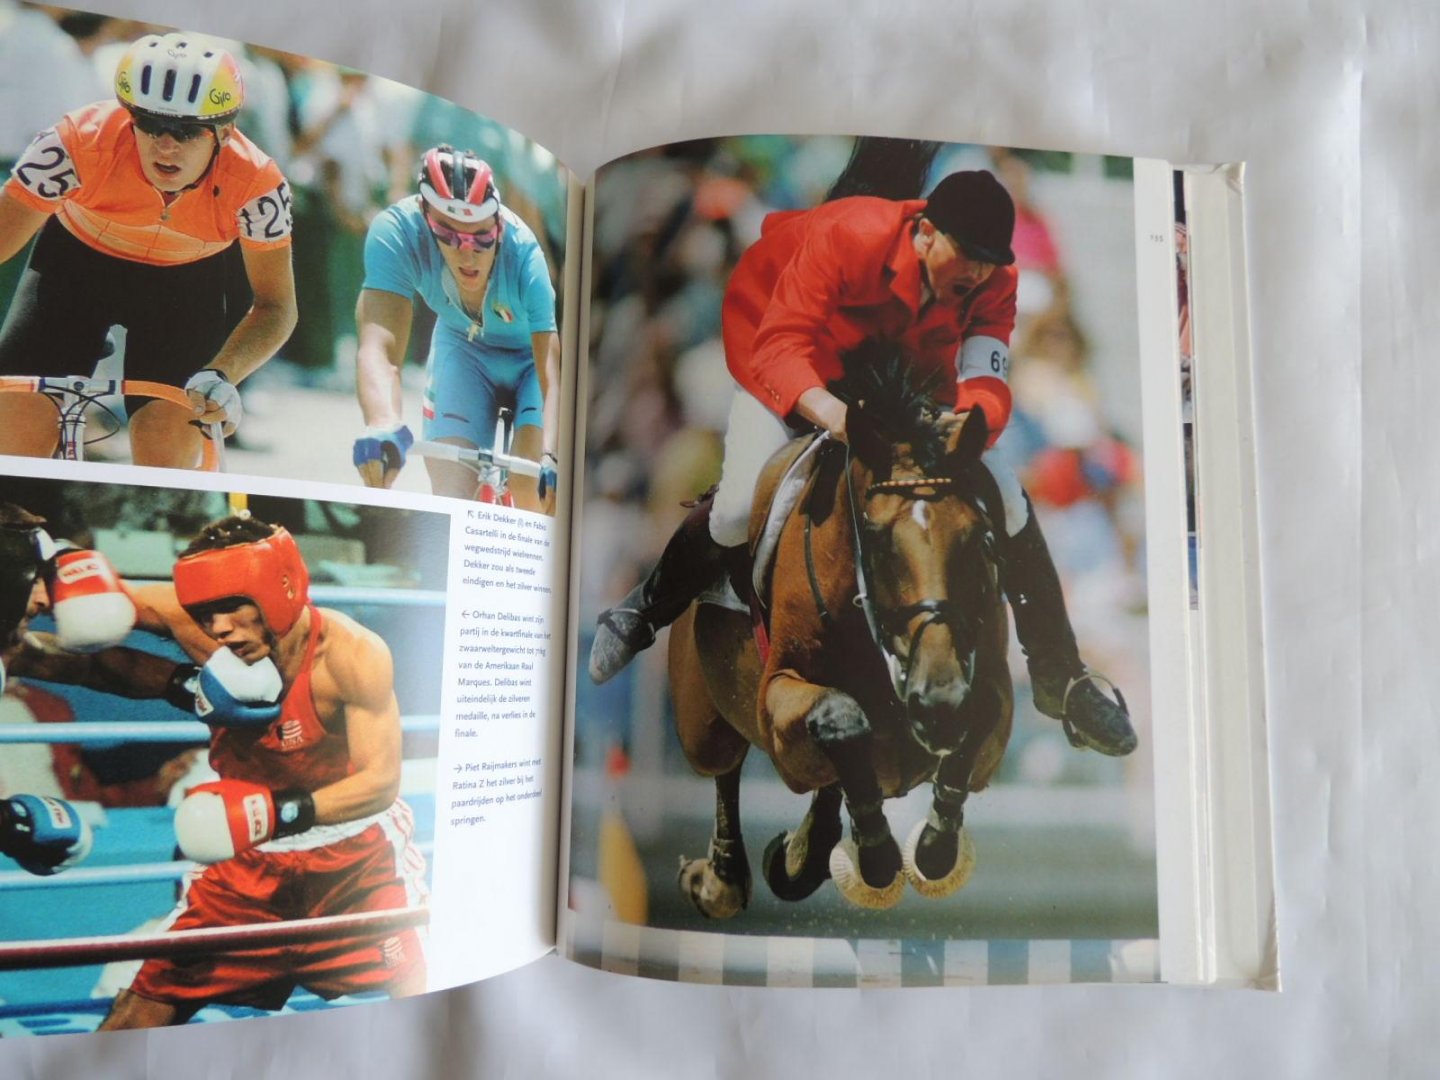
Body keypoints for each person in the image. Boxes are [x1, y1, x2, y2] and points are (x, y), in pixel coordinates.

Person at [588, 169, 1137, 757]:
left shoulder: (995, 279)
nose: (979, 273)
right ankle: (644, 609)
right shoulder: (851, 236)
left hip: (901, 384)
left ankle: (1062, 675)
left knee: (1006, 495)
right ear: (925, 233)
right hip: (786, 355)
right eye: (969, 256)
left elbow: (986, 377)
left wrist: (972, 420)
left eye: (989, 261)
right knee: (738, 506)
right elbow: (782, 348)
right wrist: (836, 416)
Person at [98, 514, 427, 1028]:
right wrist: (48, 580)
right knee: (137, 1016)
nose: (218, 629)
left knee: (428, 1001)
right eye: (205, 613)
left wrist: (274, 812)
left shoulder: (351, 653)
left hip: (356, 861)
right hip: (247, 868)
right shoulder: (213, 635)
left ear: (281, 588)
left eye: (232, 606)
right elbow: (97, 608)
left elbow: (380, 782)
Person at [0, 31, 298, 469]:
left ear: (225, 132)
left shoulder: (257, 185)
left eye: (187, 131)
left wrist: (223, 374)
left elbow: (277, 307)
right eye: (150, 124)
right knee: (16, 448)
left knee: (165, 455)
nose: (166, 144)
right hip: (73, 275)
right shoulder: (74, 143)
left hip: (181, 294)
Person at [353, 144, 561, 512]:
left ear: (498, 224)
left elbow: (552, 374)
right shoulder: (396, 233)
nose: (467, 251)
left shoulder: (526, 256)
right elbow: (379, 347)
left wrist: (552, 456)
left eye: (481, 236)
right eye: (448, 234)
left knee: (531, 489)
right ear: (424, 216)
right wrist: (383, 422)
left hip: (530, 362)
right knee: (452, 496)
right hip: (464, 351)